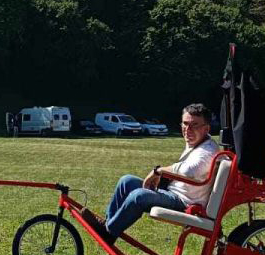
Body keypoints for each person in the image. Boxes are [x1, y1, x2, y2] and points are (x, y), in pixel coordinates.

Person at [86, 103, 219, 242]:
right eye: (185, 124)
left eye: (194, 125)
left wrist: (158, 171)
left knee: (139, 196)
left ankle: (108, 232)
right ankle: (109, 225)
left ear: (206, 128)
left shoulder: (207, 151)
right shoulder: (199, 141)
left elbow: (188, 171)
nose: (188, 129)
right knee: (126, 181)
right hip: (174, 193)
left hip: (184, 202)